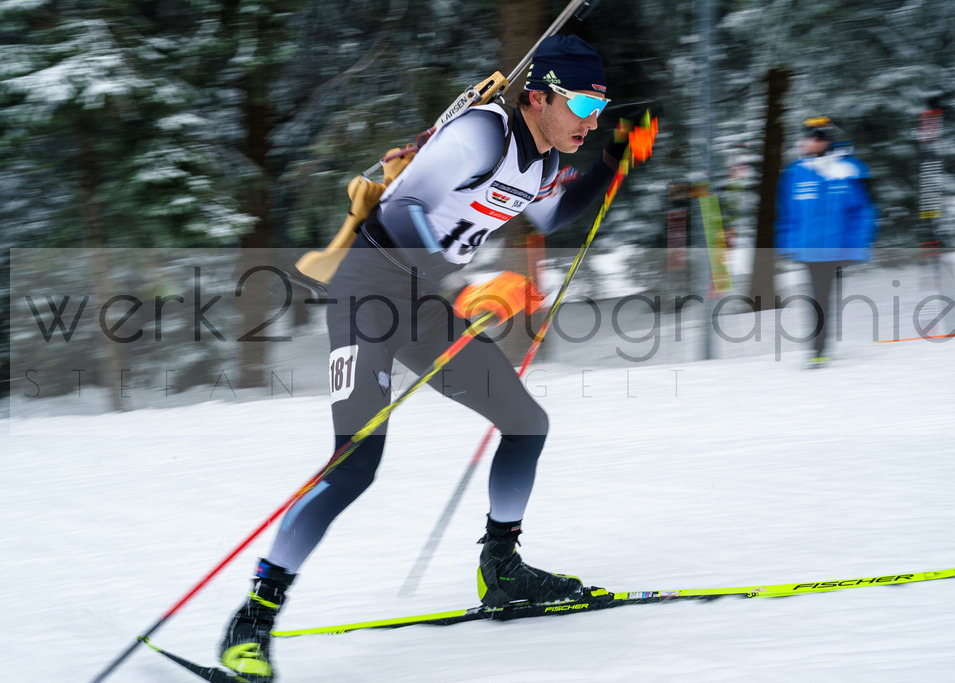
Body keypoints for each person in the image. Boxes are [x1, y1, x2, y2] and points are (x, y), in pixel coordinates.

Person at [219, 35, 655, 681]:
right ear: (539, 96)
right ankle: (252, 619)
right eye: (584, 104)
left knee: (526, 422)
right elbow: (401, 212)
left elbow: (551, 214)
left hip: (424, 303)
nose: (591, 119)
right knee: (355, 463)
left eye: (601, 106)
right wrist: (464, 289)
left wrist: (613, 162)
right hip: (369, 290)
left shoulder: (538, 158)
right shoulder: (483, 132)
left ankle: (502, 569)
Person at [775, 116, 877, 365]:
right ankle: (819, 350)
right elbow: (786, 212)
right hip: (808, 249)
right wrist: (787, 245)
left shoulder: (850, 170)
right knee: (818, 299)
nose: (804, 143)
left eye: (809, 138)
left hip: (835, 248)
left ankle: (819, 351)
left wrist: (857, 246)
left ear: (823, 141)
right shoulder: (795, 173)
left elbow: (864, 211)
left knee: (821, 298)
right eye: (804, 138)